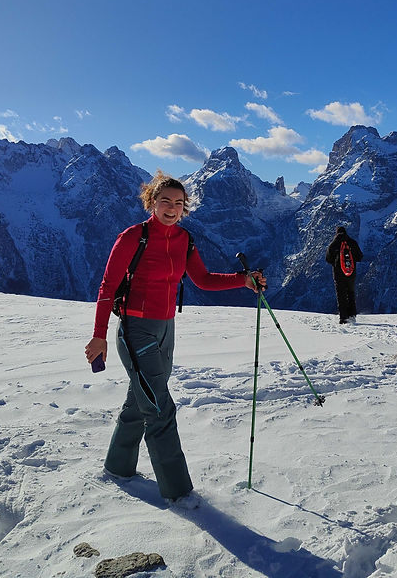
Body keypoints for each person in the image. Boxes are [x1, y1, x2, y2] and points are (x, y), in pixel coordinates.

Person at [85, 171, 265, 504]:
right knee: (159, 408)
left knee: (141, 400)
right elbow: (107, 287)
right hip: (136, 330)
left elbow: (203, 279)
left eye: (178, 203)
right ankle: (179, 493)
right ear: (152, 202)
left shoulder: (185, 239)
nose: (171, 208)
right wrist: (99, 337)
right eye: (165, 201)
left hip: (166, 329)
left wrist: (243, 281)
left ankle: (118, 465)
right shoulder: (132, 237)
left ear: (185, 208)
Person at [326, 225, 363, 324]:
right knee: (351, 293)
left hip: (338, 274)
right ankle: (352, 315)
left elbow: (328, 259)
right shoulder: (352, 242)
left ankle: (343, 317)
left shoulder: (333, 244)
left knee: (341, 294)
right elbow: (360, 257)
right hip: (351, 273)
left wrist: (336, 262)